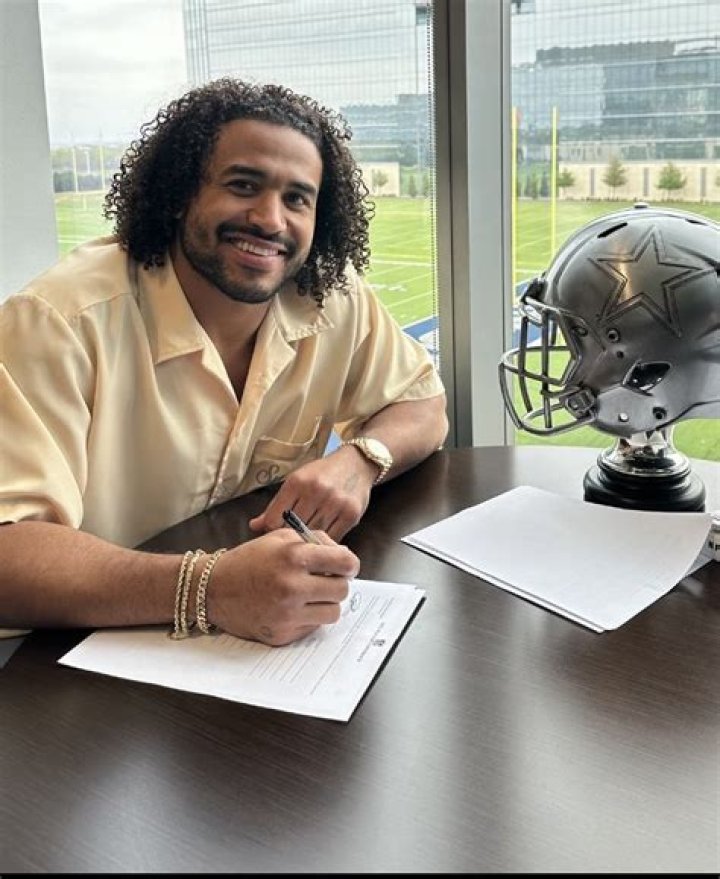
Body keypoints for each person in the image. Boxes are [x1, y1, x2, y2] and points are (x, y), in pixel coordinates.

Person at [0, 78, 448, 646]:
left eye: (297, 198)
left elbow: (423, 405)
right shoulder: (57, 321)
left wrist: (360, 460)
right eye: (243, 185)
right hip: (57, 661)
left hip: (247, 651)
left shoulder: (330, 295)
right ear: (180, 192)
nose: (270, 219)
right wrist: (209, 588)